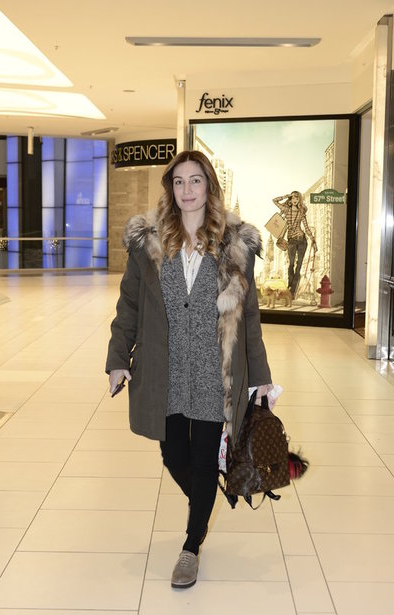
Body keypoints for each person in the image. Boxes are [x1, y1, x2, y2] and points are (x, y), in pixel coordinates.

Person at [106, 150, 273, 589]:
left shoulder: (234, 245)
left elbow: (249, 315)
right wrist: (118, 359)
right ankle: (207, 496)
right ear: (170, 189)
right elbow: (129, 305)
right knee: (174, 454)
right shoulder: (149, 243)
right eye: (178, 182)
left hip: (215, 370)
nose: (187, 190)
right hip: (165, 369)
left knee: (202, 457)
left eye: (195, 180)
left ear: (209, 185)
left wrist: (261, 377)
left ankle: (191, 546)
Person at [273, 191, 317, 298]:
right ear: (290, 199)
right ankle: (290, 286)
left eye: (297, 198)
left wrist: (313, 240)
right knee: (291, 264)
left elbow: (306, 228)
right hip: (291, 241)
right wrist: (285, 196)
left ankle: (292, 291)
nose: (295, 200)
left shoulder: (301, 212)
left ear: (299, 200)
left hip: (302, 240)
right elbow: (274, 201)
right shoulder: (286, 210)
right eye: (293, 198)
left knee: (299, 266)